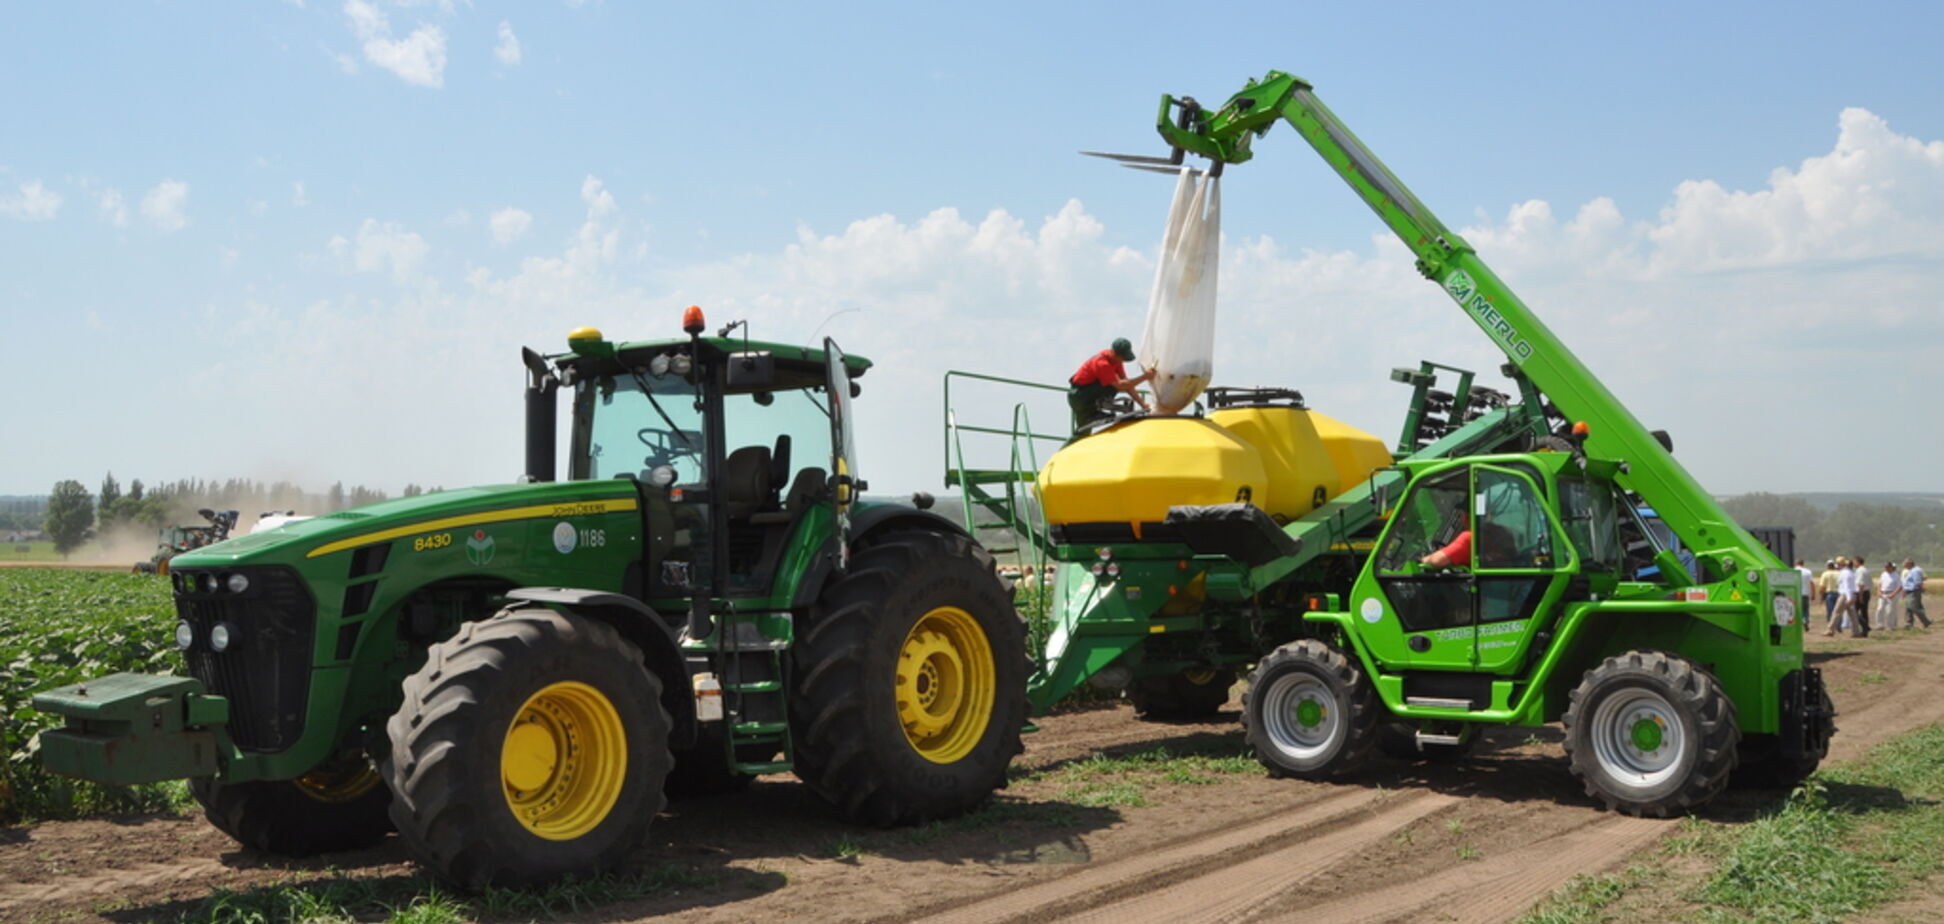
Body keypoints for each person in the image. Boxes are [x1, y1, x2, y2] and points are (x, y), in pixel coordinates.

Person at [1067, 337, 1155, 433]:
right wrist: (1145, 377)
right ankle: (1095, 411)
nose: (1123, 361)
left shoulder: (1116, 361)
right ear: (1114, 354)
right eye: (1122, 358)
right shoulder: (1102, 364)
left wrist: (1142, 404)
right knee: (1113, 385)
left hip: (1085, 395)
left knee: (1082, 434)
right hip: (1080, 396)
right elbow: (1120, 385)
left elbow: (1127, 383)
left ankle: (1095, 410)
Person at [1829, 557, 1859, 638]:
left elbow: (1847, 587)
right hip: (1851, 594)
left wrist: (1849, 598)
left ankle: (1830, 630)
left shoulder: (1845, 573)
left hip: (1845, 595)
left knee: (1836, 612)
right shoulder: (1850, 572)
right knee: (1852, 614)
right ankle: (1856, 631)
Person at [1904, 558, 1930, 629]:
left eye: (1905, 563)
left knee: (1914, 607)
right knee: (1908, 608)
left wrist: (1922, 589)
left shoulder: (1915, 571)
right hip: (1908, 592)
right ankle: (1909, 623)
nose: (1903, 564)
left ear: (1909, 563)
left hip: (1914, 592)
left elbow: (1918, 582)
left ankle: (1926, 621)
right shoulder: (1910, 571)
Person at [1875, 562, 1902, 632]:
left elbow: (1900, 587)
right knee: (1880, 609)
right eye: (1885, 567)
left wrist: (1893, 594)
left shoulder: (1896, 575)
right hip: (1883, 593)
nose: (1885, 568)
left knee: (1890, 611)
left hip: (1891, 593)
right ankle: (1880, 625)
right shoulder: (1883, 574)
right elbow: (1880, 584)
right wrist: (1879, 591)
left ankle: (1891, 626)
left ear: (1891, 567)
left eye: (1887, 567)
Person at [1818, 559, 1840, 631]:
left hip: (1830, 594)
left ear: (1827, 566)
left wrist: (1821, 597)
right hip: (1839, 593)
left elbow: (1822, 587)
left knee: (1830, 611)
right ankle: (1838, 626)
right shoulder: (1839, 573)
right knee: (1838, 611)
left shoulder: (1825, 574)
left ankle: (1830, 626)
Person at [1854, 553, 1872, 637]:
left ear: (1858, 562)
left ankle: (1865, 626)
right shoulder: (1866, 570)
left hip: (1861, 593)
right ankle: (1865, 631)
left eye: (1855, 562)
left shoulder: (1860, 571)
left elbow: (1861, 584)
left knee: (1854, 611)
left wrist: (1860, 596)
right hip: (1866, 592)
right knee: (1864, 612)